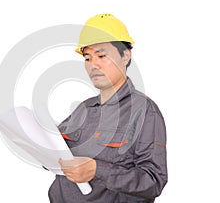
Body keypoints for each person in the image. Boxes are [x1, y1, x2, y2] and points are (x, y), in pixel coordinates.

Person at [48, 14, 168, 203]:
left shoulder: (145, 111)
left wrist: (97, 170)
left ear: (125, 55)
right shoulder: (84, 109)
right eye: (87, 58)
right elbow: (53, 150)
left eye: (102, 56)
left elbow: (153, 182)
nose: (93, 65)